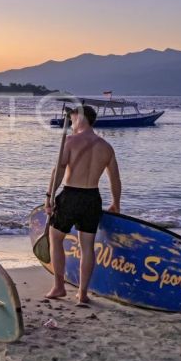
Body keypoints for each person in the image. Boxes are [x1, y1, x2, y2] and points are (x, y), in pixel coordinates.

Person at [45, 105, 122, 306]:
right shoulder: (106, 147)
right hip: (92, 198)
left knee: (55, 239)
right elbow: (115, 178)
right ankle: (82, 293)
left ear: (80, 118)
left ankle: (59, 286)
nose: (70, 122)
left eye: (72, 118)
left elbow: (59, 171)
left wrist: (49, 197)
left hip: (71, 195)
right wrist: (116, 203)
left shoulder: (70, 141)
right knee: (87, 247)